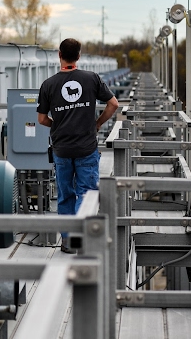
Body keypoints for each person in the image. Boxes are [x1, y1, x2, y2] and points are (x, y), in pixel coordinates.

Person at [37, 38, 119, 254]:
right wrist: (98, 123)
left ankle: (68, 241)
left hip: (61, 150)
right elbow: (113, 104)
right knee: (87, 193)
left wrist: (59, 125)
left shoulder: (49, 84)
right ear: (79, 55)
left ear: (59, 55)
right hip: (86, 149)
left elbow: (42, 119)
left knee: (65, 196)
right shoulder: (91, 79)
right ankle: (85, 240)